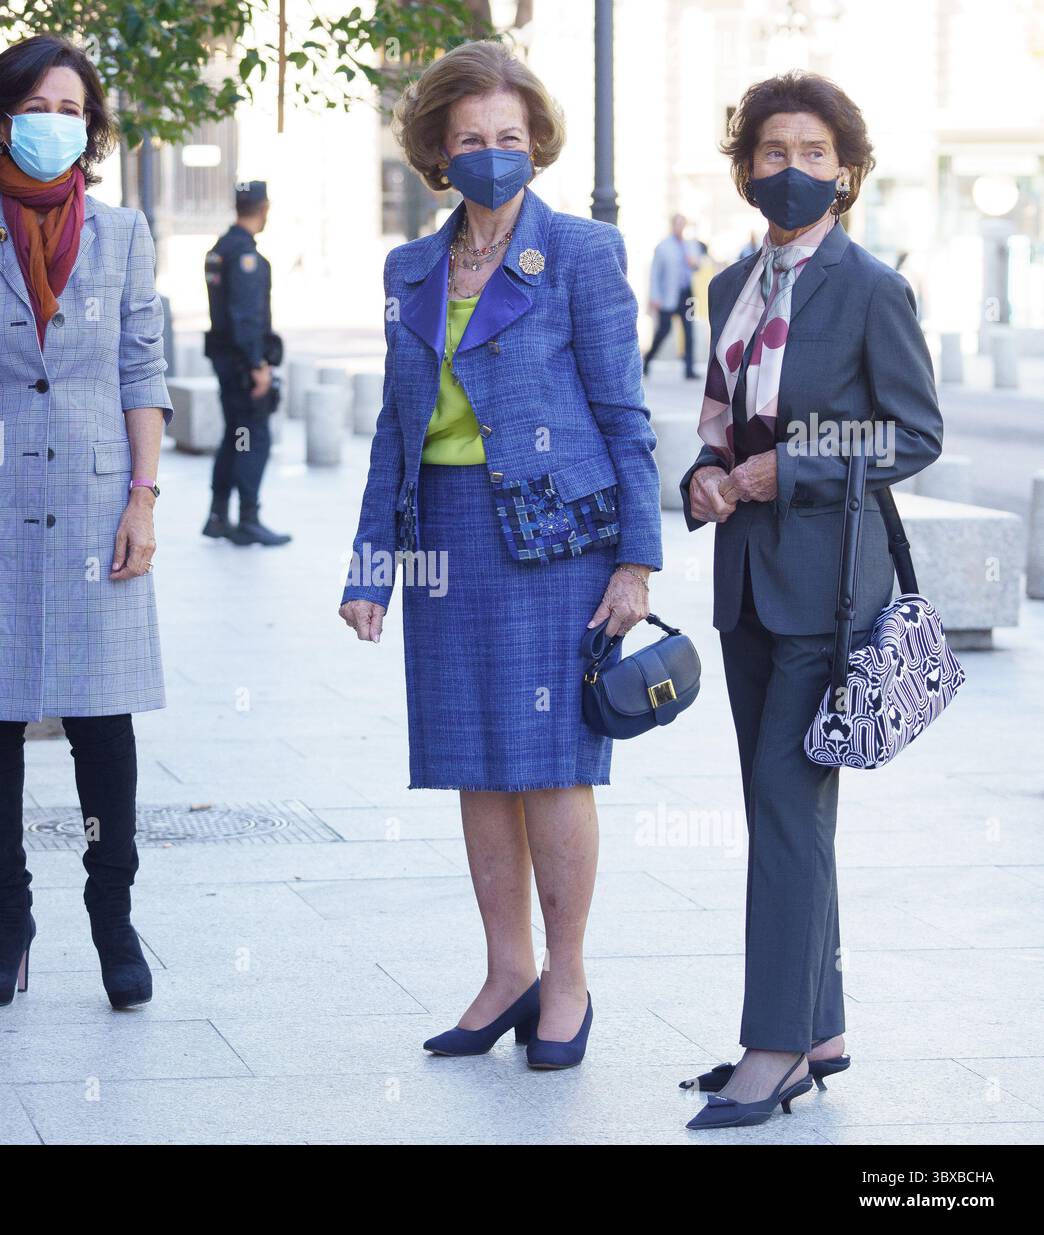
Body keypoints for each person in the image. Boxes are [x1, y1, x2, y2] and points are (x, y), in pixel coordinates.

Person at [337, 40, 662, 1070]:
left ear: (537, 145)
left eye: (508, 138)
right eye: (470, 138)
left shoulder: (581, 253)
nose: (490, 153)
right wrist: (368, 563)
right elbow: (396, 424)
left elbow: (624, 412)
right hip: (444, 532)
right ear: (438, 146)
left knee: (555, 763)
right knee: (475, 761)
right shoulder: (410, 267)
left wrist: (636, 559)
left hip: (558, 540)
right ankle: (504, 969)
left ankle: (565, 978)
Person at [678, 71, 943, 1129]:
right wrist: (705, 474)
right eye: (772, 152)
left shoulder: (869, 287)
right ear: (747, 168)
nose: (792, 171)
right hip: (744, 574)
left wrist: (790, 470)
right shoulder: (727, 284)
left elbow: (911, 435)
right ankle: (818, 1021)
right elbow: (722, 416)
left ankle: (775, 1046)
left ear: (846, 172)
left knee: (787, 815)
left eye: (814, 154)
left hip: (827, 587)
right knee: (781, 811)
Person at [0, 34, 171, 1012]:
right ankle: (7, 920)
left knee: (103, 721)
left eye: (71, 108)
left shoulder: (126, 235)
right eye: (35, 106)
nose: (54, 123)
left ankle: (113, 917)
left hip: (101, 501)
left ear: (89, 127)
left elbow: (142, 370)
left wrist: (144, 495)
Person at [201, 180, 290, 547]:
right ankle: (248, 517)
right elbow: (245, 317)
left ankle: (218, 515)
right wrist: (257, 365)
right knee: (253, 439)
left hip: (225, 361)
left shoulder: (218, 250)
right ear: (264, 207)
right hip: (243, 366)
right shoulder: (246, 256)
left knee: (234, 437)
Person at [642, 213, 701, 379]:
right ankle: (647, 360)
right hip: (668, 296)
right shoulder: (663, 247)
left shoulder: (691, 245)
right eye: (677, 224)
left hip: (687, 295)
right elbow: (655, 274)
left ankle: (689, 370)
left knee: (689, 332)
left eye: (683, 224)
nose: (680, 227)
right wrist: (655, 297)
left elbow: (698, 266)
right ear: (672, 225)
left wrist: (694, 263)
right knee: (663, 331)